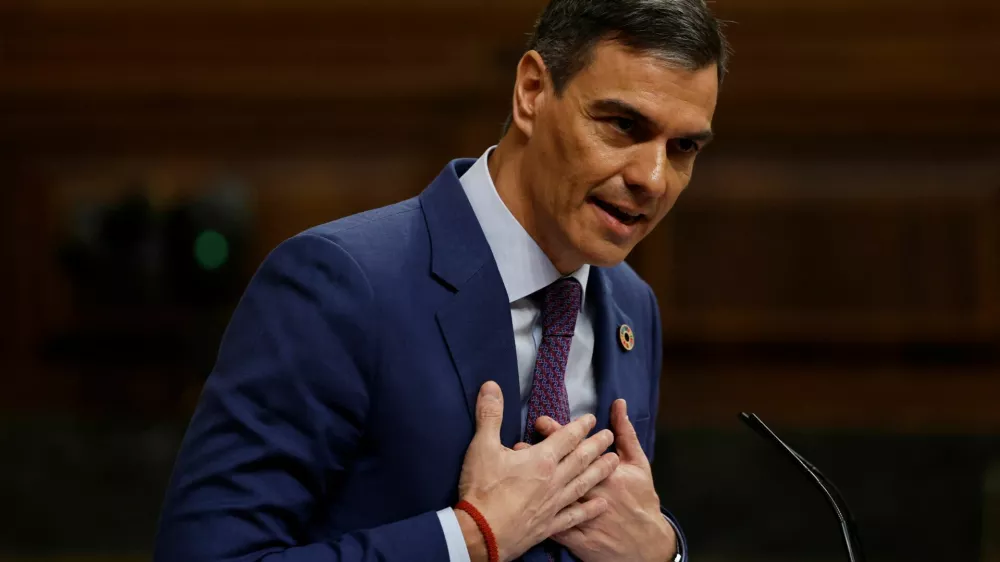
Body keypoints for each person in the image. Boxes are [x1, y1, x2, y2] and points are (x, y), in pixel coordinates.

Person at [153, 0, 727, 560]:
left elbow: (620, 529)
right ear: (531, 92)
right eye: (624, 125)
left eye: (683, 148)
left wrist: (660, 550)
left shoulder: (631, 304)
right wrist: (470, 538)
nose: (653, 178)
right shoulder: (341, 283)